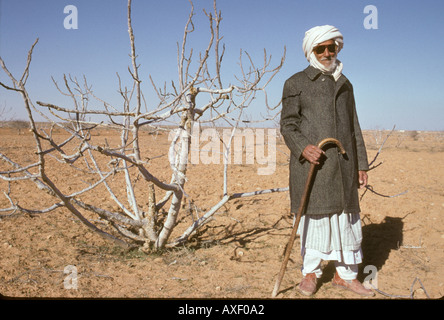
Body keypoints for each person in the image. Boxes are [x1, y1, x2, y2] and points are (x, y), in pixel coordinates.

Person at [280, 25, 374, 297]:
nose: (326, 52)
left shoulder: (346, 83)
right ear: (311, 50)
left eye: (331, 47)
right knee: (316, 221)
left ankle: (345, 276)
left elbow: (354, 127)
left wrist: (362, 164)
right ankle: (310, 273)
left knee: (346, 220)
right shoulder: (295, 82)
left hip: (344, 165)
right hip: (313, 166)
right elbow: (287, 125)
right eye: (320, 48)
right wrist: (303, 148)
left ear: (337, 48)